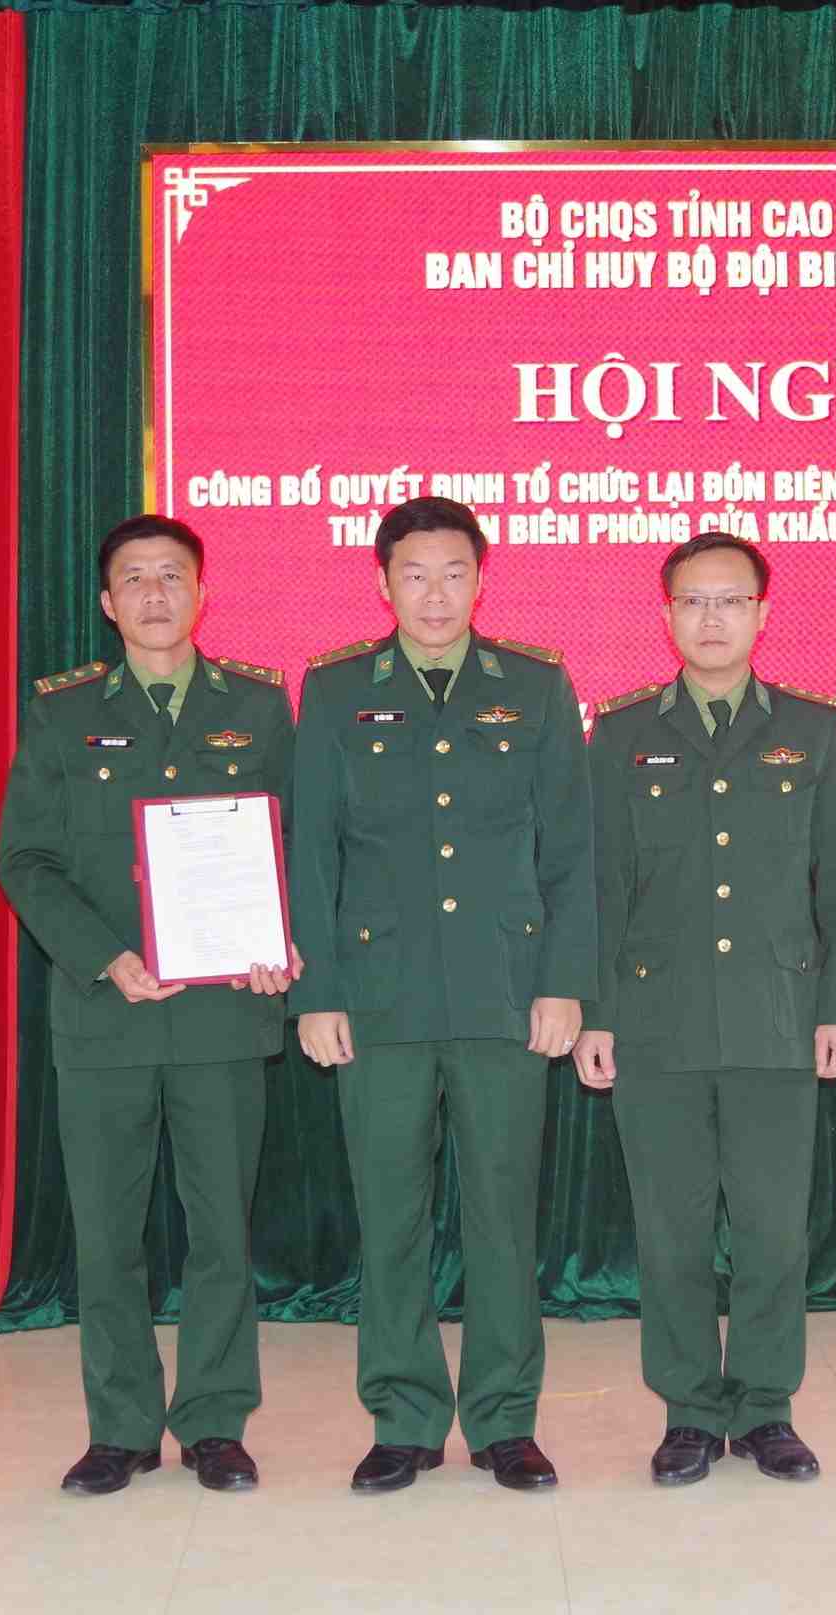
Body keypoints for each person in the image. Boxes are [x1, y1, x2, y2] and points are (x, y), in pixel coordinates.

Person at [290, 495, 595, 1494]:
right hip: (377, 996)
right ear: (382, 583)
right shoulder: (336, 689)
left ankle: (505, 1419)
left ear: (480, 579)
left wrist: (564, 985)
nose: (434, 594)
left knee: (504, 1214)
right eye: (414, 574)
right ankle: (404, 1417)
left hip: (505, 993)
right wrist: (317, 991)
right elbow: (311, 851)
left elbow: (569, 851)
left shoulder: (535, 686)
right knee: (391, 1215)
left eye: (454, 572)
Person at [0, 514, 298, 1496]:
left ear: (203, 593)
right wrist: (106, 957)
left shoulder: (257, 706)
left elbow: (295, 843)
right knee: (107, 1234)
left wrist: (279, 940)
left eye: (173, 575)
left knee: (221, 1234)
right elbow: (25, 859)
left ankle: (215, 1422)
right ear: (106, 602)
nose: (156, 593)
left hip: (223, 1016)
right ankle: (120, 1428)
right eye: (135, 578)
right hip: (106, 1014)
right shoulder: (61, 712)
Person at [575, 530, 836, 1487]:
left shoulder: (813, 729)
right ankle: (690, 1412)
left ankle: (766, 1406)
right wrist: (595, 1013)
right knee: (672, 1233)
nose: (713, 619)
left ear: (762, 614)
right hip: (655, 1023)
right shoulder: (622, 733)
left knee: (773, 1230)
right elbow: (601, 887)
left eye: (731, 600)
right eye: (694, 601)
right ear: (666, 615)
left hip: (777, 1018)